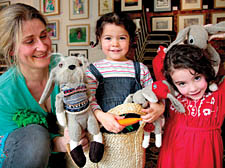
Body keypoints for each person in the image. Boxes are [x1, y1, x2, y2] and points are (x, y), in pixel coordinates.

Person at [0, 3, 88, 168]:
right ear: (12, 49)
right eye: (29, 41)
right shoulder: (3, 93)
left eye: (43, 35)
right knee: (35, 136)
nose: (42, 46)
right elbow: (22, 146)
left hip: (67, 156)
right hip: (20, 156)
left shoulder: (66, 69)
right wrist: (60, 143)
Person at [87, 11, 165, 135]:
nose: (115, 44)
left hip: (136, 135)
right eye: (108, 38)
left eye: (122, 38)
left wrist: (158, 108)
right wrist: (100, 116)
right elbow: (88, 100)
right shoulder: (92, 70)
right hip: (103, 133)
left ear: (131, 39)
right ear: (99, 39)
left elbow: (154, 94)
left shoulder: (140, 69)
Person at [157, 44, 225, 168]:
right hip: (174, 151)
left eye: (197, 78)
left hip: (206, 155)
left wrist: (208, 38)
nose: (193, 88)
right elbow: (158, 61)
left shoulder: (219, 93)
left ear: (206, 71)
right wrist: (180, 42)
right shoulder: (172, 93)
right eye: (182, 83)